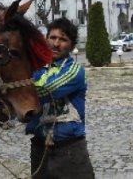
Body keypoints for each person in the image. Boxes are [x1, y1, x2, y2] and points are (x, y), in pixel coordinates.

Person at [25, 18, 94, 178]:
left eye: (63, 39)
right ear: (46, 39)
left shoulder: (75, 71)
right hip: (40, 150)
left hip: (69, 151)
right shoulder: (36, 69)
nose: (56, 44)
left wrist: (18, 89)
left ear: (71, 46)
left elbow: (48, 90)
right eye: (53, 37)